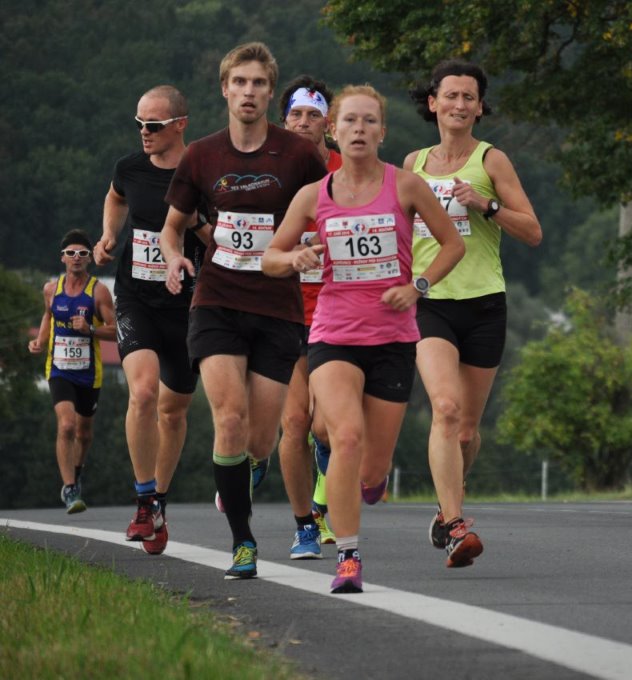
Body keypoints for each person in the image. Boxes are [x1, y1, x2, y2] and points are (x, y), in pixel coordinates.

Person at [263, 84, 465, 593]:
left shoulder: (406, 186)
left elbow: (452, 245)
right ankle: (348, 557)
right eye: (350, 121)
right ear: (334, 130)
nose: (359, 129)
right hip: (333, 334)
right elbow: (270, 258)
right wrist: (294, 258)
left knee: (372, 469)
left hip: (393, 338)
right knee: (345, 437)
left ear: (382, 132)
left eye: (369, 121)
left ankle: (372, 482)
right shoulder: (314, 195)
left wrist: (418, 287)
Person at [160, 42, 326, 579]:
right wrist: (173, 258)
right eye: (240, 82)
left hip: (278, 306)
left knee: (259, 438)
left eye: (258, 83)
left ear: (270, 92)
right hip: (217, 300)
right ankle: (243, 542)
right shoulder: (201, 155)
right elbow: (171, 228)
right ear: (224, 89)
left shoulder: (299, 156)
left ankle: (251, 466)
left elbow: (328, 214)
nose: (248, 92)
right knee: (228, 418)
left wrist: (309, 248)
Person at [405, 60, 542, 565]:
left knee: (466, 431)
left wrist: (486, 205)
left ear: (480, 107)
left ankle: (448, 505)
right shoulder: (414, 164)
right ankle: (457, 525)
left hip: (484, 304)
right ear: (433, 103)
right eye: (451, 95)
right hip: (430, 303)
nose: (459, 104)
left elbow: (532, 231)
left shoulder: (491, 161)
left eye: (469, 97)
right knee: (444, 408)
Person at [93, 85, 207, 556]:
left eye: (154, 125)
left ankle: (159, 499)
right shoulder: (130, 167)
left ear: (180, 125)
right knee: (142, 393)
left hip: (187, 306)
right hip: (135, 296)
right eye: (139, 123)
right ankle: (143, 502)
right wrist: (108, 234)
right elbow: (116, 196)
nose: (144, 132)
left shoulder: (202, 172)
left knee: (173, 409)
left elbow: (222, 239)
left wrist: (196, 225)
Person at [276, 75, 343, 553]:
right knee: (295, 423)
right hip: (282, 309)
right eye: (296, 115)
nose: (303, 122)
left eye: (313, 115)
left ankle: (323, 495)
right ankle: (305, 525)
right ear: (284, 122)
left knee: (325, 427)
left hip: (336, 310)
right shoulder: (268, 171)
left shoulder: (347, 168)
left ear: (328, 123)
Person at [28, 230, 116, 513]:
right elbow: (48, 315)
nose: (76, 258)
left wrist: (90, 329)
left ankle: (76, 474)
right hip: (59, 370)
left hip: (89, 373)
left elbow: (116, 331)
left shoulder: (99, 292)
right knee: (66, 425)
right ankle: (69, 489)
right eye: (71, 253)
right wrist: (41, 341)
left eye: (82, 253)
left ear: (89, 258)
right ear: (62, 258)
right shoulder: (51, 290)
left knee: (84, 433)